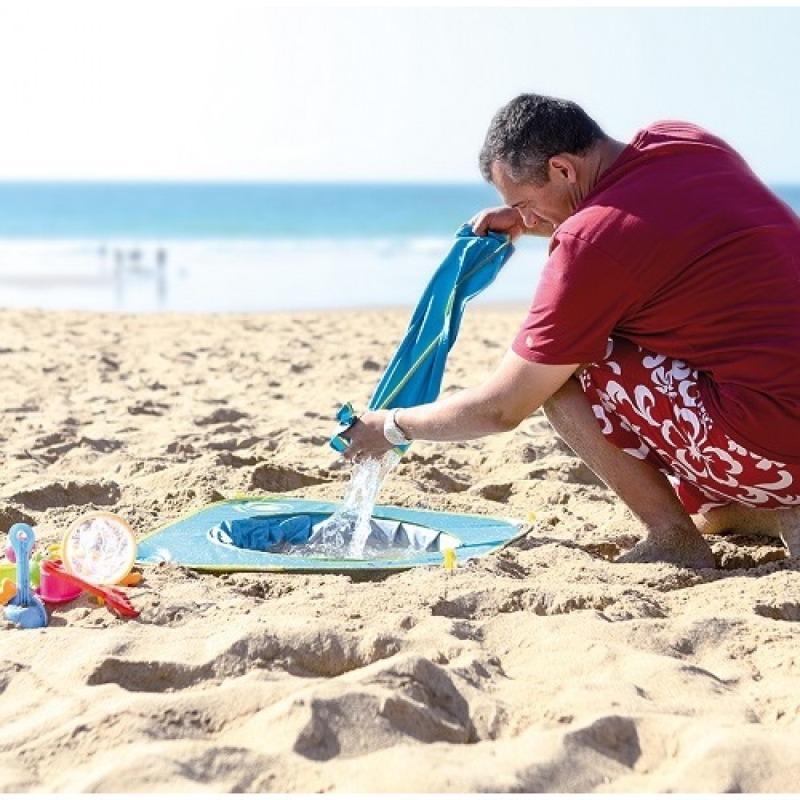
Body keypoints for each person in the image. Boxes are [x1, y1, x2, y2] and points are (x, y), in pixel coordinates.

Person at [341, 93, 800, 568]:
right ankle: (772, 510)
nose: (526, 217)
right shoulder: (684, 141)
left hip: (774, 439)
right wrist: (531, 221)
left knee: (559, 372)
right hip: (784, 406)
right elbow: (652, 227)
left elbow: (502, 407)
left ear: (562, 170)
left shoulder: (589, 244)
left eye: (524, 203)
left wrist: (392, 426)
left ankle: (673, 535)